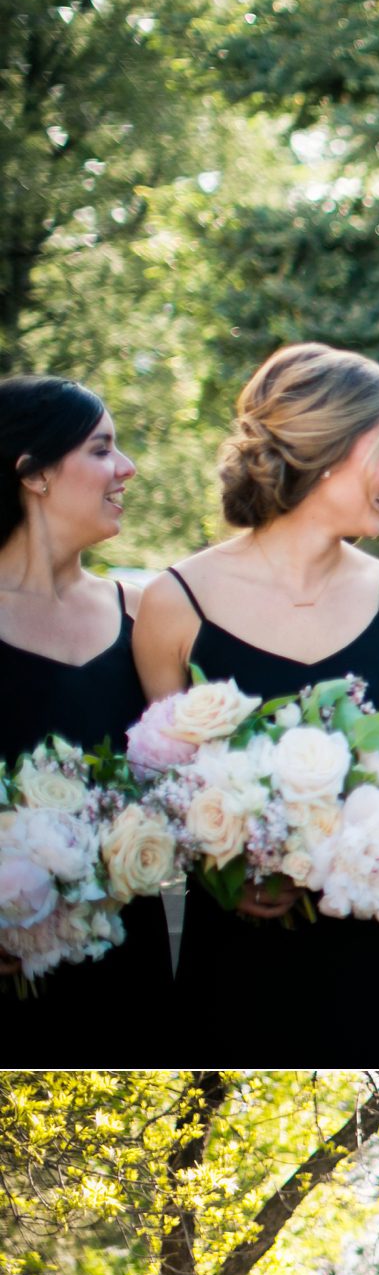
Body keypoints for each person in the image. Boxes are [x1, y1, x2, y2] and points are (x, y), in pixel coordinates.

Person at [132, 343, 379, 1062]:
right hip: (238, 967)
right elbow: (159, 783)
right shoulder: (175, 604)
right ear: (330, 448)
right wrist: (220, 870)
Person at [0, 376, 173, 1055]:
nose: (126, 467)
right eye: (102, 449)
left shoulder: (147, 615)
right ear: (34, 473)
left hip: (129, 968)